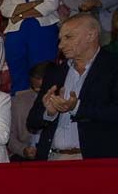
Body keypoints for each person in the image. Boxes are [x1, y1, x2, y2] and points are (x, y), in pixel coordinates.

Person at [27, 13, 118, 160]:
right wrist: (49, 113)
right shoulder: (55, 73)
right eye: (60, 39)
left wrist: (77, 107)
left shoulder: (113, 67)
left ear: (91, 35)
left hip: (95, 161)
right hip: (52, 159)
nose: (61, 45)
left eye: (68, 37)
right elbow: (32, 122)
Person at [0, 0, 62, 92]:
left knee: (43, 73)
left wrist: (20, 15)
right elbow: (5, 10)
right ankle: (21, 105)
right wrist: (34, 3)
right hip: (15, 33)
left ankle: (45, 106)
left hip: (43, 31)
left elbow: (50, 5)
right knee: (18, 72)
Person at [8, 61, 49, 161]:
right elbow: (10, 136)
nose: (38, 92)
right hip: (25, 155)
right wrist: (23, 150)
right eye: (34, 88)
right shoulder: (17, 101)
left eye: (42, 89)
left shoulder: (64, 100)